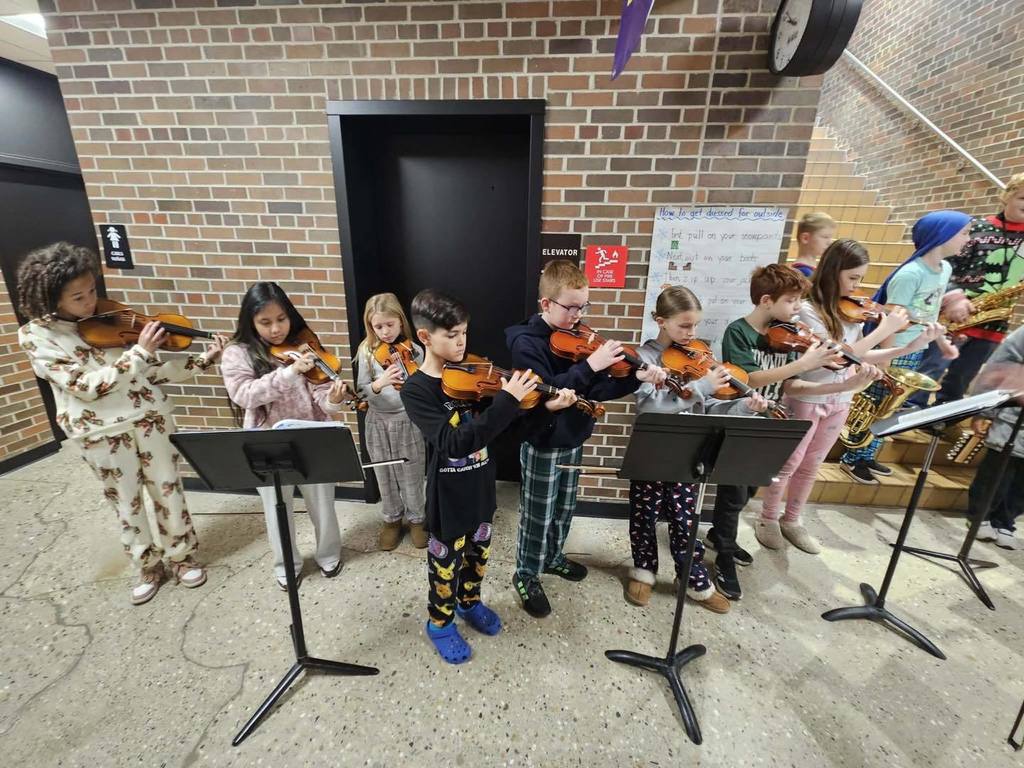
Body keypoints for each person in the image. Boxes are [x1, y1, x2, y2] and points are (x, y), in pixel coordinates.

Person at [17, 242, 226, 605]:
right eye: (77, 297)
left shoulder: (109, 317)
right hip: (100, 431)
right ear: (51, 298)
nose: (90, 302)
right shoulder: (37, 336)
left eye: (92, 290)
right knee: (125, 501)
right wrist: (140, 352)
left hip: (150, 418)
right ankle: (148, 564)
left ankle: (180, 556)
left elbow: (151, 372)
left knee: (168, 488)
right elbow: (84, 387)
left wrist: (203, 360)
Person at [399, 289, 576, 663]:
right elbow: (454, 442)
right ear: (425, 337)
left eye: (464, 332)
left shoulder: (475, 377)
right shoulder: (417, 390)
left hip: (481, 489)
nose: (461, 341)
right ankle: (440, 623)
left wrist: (545, 410)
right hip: (448, 499)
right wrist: (507, 401)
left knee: (478, 559)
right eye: (451, 335)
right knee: (444, 568)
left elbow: (505, 437)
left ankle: (470, 602)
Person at [754, 240, 944, 552]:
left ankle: (792, 519)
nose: (858, 287)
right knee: (790, 462)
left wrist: (913, 344)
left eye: (860, 279)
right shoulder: (806, 311)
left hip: (841, 397)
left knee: (812, 463)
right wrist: (884, 330)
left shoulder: (852, 313)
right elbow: (837, 356)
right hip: (807, 396)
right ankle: (768, 518)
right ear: (833, 272)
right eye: (853, 278)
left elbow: (863, 354)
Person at [505, 259, 666, 618]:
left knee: (564, 507)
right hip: (543, 440)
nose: (579, 315)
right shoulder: (525, 344)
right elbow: (548, 395)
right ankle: (526, 573)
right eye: (571, 307)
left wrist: (635, 377)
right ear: (546, 304)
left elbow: (598, 388)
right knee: (538, 513)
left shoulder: (578, 337)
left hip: (575, 436)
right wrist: (591, 365)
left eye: (583, 306)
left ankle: (553, 557)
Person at [626, 286, 768, 612]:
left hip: (690, 452)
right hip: (652, 451)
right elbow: (650, 406)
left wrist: (744, 407)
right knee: (643, 515)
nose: (692, 334)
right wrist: (701, 386)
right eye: (684, 326)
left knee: (685, 519)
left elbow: (713, 409)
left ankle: (692, 579)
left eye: (695, 326)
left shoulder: (698, 359)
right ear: (661, 322)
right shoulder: (644, 357)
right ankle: (644, 571)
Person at [708, 264, 841, 599]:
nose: (798, 308)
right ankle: (723, 554)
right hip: (741, 421)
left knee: (751, 487)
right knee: (733, 493)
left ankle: (718, 536)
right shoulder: (737, 332)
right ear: (766, 300)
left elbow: (791, 384)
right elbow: (749, 379)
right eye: (792, 301)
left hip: (773, 422)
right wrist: (806, 363)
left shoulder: (786, 335)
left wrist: (845, 378)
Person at [221, 282, 350, 590]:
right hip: (265, 441)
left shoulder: (305, 343)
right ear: (249, 321)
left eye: (281, 319)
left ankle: (329, 555)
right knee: (275, 507)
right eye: (265, 322)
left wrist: (333, 400)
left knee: (322, 502)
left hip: (311, 436)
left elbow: (322, 395)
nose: (276, 329)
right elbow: (244, 395)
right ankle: (286, 564)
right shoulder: (238, 353)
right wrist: (289, 372)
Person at [839, 211, 970, 484]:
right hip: (895, 346)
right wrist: (885, 359)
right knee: (876, 402)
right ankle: (853, 457)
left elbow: (931, 313)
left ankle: (869, 454)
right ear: (942, 235)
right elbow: (890, 318)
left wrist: (942, 342)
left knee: (890, 407)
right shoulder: (911, 274)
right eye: (964, 233)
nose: (967, 239)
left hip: (917, 345)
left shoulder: (944, 269)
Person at [913, 174, 1024, 407]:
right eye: (1023, 197)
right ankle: (908, 408)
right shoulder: (977, 228)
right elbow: (943, 265)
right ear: (1006, 197)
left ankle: (940, 423)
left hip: (993, 321)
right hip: (953, 314)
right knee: (932, 367)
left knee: (962, 378)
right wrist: (954, 297)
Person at [354, 293, 427, 551]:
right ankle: (392, 520)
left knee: (413, 472)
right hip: (378, 422)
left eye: (390, 325)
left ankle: (418, 519)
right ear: (370, 326)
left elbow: (426, 384)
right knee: (384, 474)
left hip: (407, 421)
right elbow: (361, 392)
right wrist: (380, 382)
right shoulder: (366, 351)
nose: (385, 332)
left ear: (400, 322)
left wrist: (414, 386)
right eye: (378, 326)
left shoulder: (415, 350)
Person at [968, 326, 1024, 551]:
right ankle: (980, 516)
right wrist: (983, 409)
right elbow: (1001, 363)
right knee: (997, 470)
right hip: (1013, 416)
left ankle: (1006, 520)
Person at [791, 212, 837, 277]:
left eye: (830, 237)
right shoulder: (802, 272)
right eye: (825, 237)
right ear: (805, 238)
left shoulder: (813, 269)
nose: (830, 242)